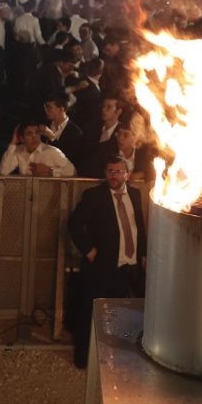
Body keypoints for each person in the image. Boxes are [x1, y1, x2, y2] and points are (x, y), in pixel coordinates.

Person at [67, 155, 147, 368]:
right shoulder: (94, 196)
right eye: (111, 171)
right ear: (105, 173)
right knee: (90, 311)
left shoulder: (135, 195)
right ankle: (83, 359)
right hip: (101, 265)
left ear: (127, 174)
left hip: (127, 264)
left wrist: (143, 253)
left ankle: (116, 359)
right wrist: (88, 250)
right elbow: (74, 224)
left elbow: (139, 226)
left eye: (119, 171)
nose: (114, 175)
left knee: (121, 311)